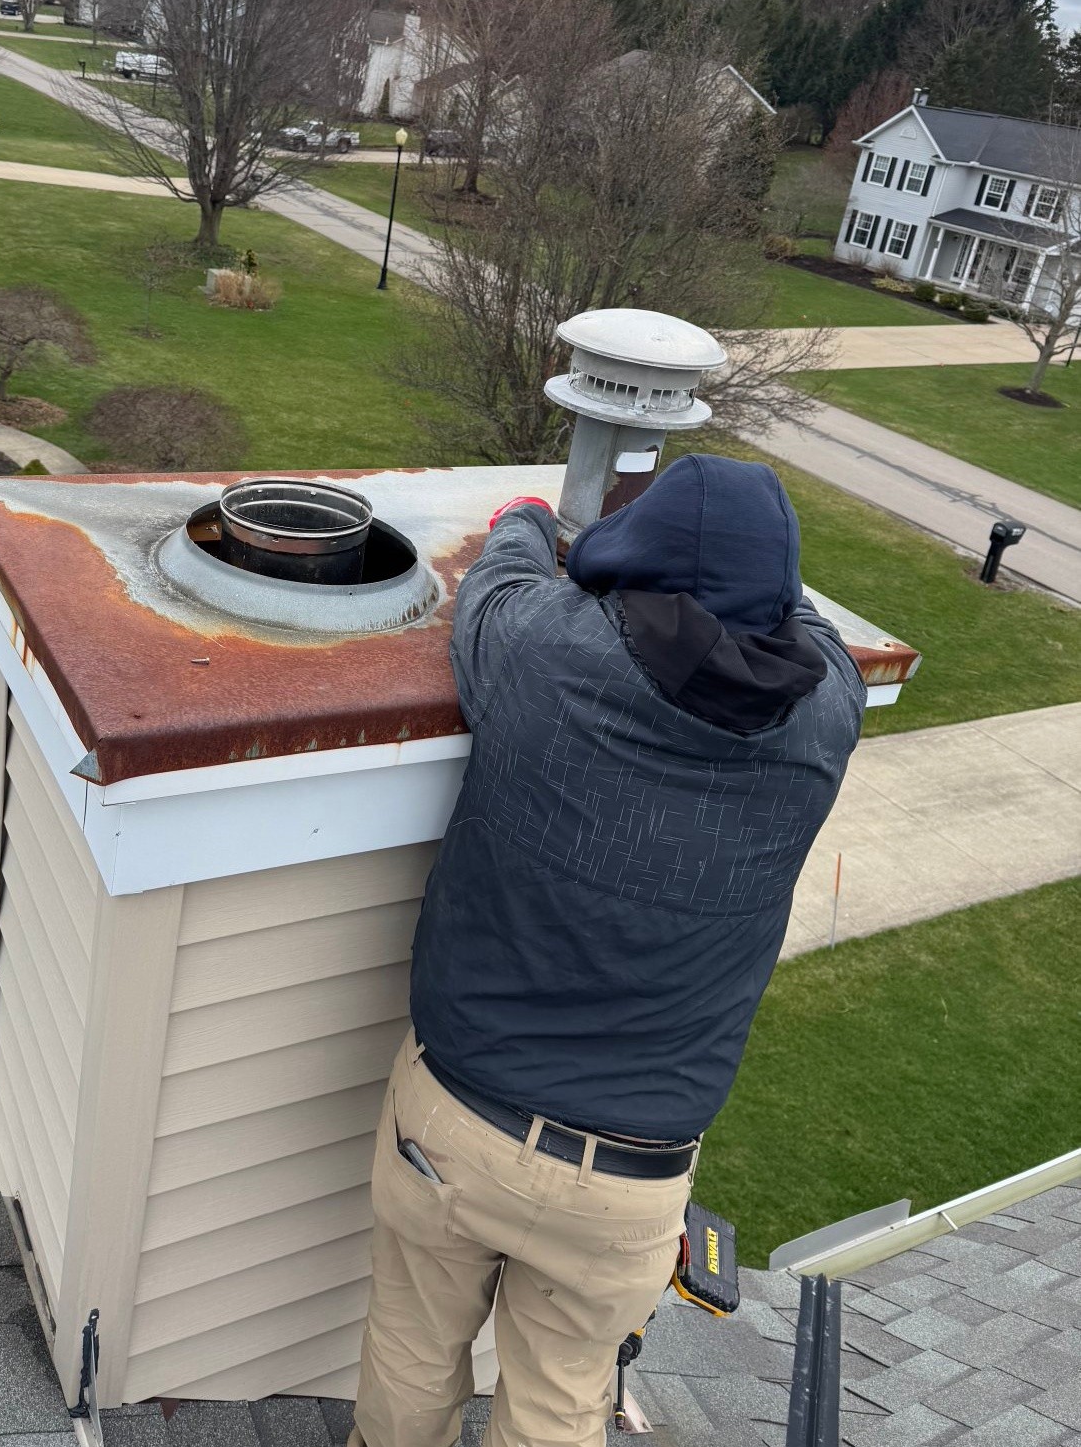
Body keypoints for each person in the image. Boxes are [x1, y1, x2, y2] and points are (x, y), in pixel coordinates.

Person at [351, 454, 866, 1447]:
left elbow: (499, 582)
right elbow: (805, 629)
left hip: (460, 1126)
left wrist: (533, 518)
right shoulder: (826, 715)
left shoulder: (548, 657)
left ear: (637, 562)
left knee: (413, 1354)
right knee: (558, 1406)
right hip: (631, 1184)